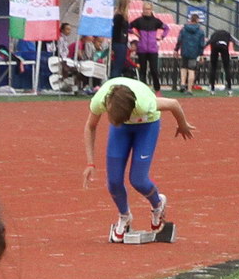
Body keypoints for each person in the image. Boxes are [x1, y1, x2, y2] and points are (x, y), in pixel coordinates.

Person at [81, 75, 195, 243]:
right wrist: (90, 162)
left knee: (138, 180)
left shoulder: (145, 103)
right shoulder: (100, 100)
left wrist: (182, 124)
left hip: (147, 125)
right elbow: (90, 126)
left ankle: (157, 205)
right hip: (121, 129)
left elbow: (174, 104)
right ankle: (124, 216)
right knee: (113, 181)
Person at [129, 5, 164, 91]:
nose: (146, 11)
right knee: (142, 70)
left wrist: (162, 36)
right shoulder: (139, 21)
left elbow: (166, 28)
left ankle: (157, 87)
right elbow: (128, 27)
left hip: (153, 49)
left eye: (148, 9)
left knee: (154, 70)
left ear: (151, 10)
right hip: (142, 49)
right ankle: (142, 87)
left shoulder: (156, 21)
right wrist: (134, 33)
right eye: (145, 9)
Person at [175, 11, 204, 92]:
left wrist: (176, 50)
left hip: (184, 51)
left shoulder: (184, 29)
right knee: (191, 70)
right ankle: (189, 89)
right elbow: (201, 44)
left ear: (190, 20)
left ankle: (183, 84)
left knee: (183, 68)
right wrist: (201, 54)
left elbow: (179, 40)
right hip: (194, 53)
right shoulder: (200, 31)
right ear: (197, 20)